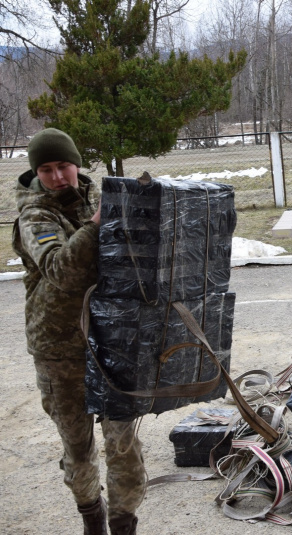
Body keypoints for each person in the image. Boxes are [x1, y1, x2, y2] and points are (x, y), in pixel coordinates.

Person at [13, 128, 146, 535]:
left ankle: (124, 525)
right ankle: (92, 519)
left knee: (124, 445)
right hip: (60, 351)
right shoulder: (35, 215)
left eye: (63, 166)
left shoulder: (98, 200)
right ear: (37, 173)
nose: (57, 176)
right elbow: (61, 270)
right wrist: (95, 225)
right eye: (47, 169)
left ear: (76, 165)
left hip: (110, 343)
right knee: (78, 447)